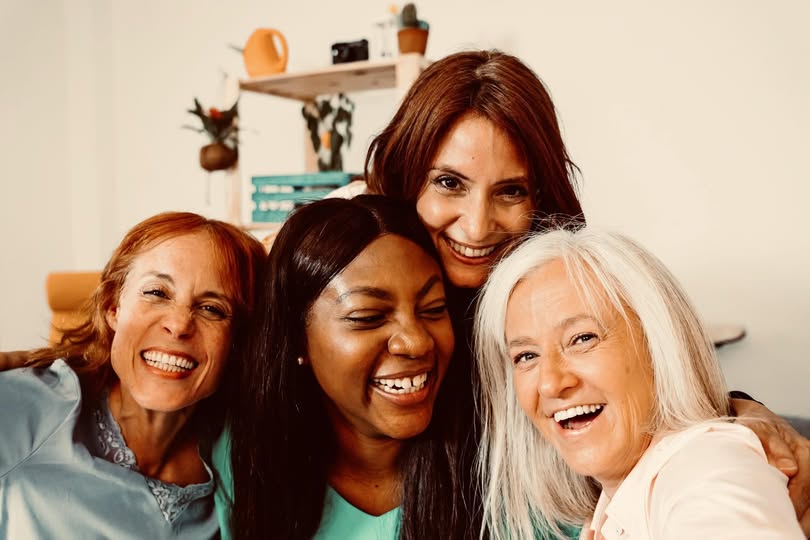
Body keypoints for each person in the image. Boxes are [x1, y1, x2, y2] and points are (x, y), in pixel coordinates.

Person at [347, 47, 810, 532]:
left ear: (540, 198)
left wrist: (740, 415)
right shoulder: (356, 271)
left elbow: (667, 412)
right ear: (404, 179)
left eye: (511, 191)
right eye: (448, 183)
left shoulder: (554, 280)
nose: (478, 225)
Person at [474, 226, 806, 539]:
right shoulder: (615, 504)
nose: (549, 384)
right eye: (526, 356)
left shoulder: (704, 472)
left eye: (583, 338)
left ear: (660, 344)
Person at [216, 195, 480, 539]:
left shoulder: (501, 474)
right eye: (368, 317)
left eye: (433, 309)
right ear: (295, 337)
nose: (417, 342)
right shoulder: (235, 459)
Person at [0, 211, 265, 538]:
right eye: (157, 293)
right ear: (113, 307)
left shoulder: (247, 463)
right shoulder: (27, 411)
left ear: (240, 341)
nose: (179, 324)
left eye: (212, 309)